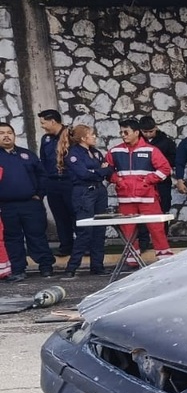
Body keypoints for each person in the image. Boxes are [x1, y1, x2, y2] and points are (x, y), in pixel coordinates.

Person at [108, 118, 174, 262]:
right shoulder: (115, 151)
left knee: (156, 228)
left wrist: (148, 180)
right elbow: (107, 171)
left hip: (148, 198)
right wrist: (117, 180)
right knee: (128, 229)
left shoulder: (151, 150)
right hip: (125, 198)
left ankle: (165, 257)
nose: (123, 135)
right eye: (121, 132)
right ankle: (132, 258)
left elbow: (165, 169)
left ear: (136, 132)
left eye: (126, 132)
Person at [0, 122, 54, 281]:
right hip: (6, 206)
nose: (6, 136)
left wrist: (40, 194)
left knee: (37, 236)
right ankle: (18, 270)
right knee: (12, 239)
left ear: (14, 135)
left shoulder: (27, 155)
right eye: (2, 133)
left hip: (31, 204)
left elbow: (42, 175)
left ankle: (46, 266)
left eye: (9, 132)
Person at [59, 124, 113, 277]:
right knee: (85, 231)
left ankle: (97, 266)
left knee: (99, 230)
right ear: (83, 138)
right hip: (84, 192)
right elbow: (83, 174)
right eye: (92, 134)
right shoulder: (73, 154)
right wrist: (100, 170)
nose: (95, 137)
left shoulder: (95, 152)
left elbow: (108, 169)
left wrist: (98, 171)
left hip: (99, 191)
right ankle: (71, 267)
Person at [37, 109, 75, 257]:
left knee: (75, 214)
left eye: (43, 123)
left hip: (69, 181)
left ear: (52, 121)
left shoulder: (71, 136)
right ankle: (66, 246)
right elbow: (43, 161)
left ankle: (83, 246)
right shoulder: (45, 139)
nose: (42, 126)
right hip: (53, 183)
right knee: (60, 216)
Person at [138, 116, 178, 238]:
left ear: (156, 128)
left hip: (162, 182)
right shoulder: (137, 142)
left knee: (163, 209)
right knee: (142, 211)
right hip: (142, 182)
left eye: (151, 131)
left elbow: (174, 159)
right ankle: (143, 240)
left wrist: (158, 163)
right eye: (145, 132)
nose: (148, 134)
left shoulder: (166, 142)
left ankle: (162, 237)